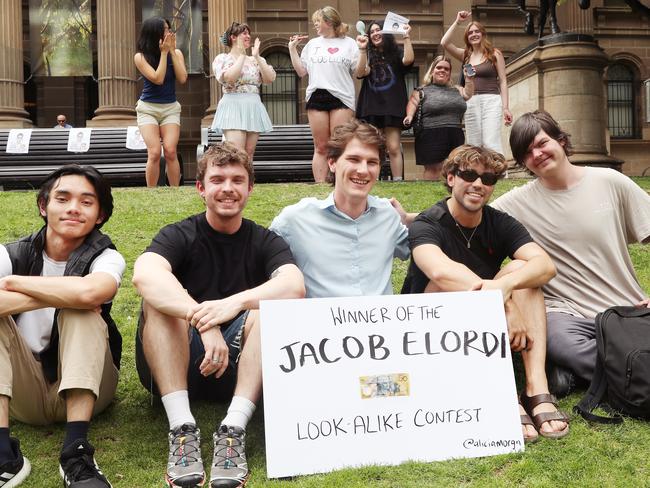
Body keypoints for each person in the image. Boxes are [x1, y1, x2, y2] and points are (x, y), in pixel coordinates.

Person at [132, 142, 305, 488]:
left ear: (250, 188)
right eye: (218, 179)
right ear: (201, 188)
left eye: (237, 180)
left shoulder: (264, 240)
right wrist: (203, 319)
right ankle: (182, 429)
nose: (228, 188)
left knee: (269, 310)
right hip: (178, 364)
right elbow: (144, 274)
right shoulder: (179, 234)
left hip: (241, 367)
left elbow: (294, 285)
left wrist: (235, 303)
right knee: (158, 303)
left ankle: (233, 429)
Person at [401, 145, 569, 442]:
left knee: (523, 272)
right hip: (427, 325)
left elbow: (545, 265)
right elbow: (440, 272)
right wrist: (504, 307)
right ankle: (502, 391)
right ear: (451, 178)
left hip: (480, 316)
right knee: (447, 284)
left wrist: (504, 287)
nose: (479, 184)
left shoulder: (499, 222)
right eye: (468, 174)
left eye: (488, 179)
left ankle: (535, 388)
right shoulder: (428, 222)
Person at [492, 110, 650, 395]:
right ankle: (630, 375)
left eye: (542, 143)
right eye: (527, 152)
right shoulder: (516, 203)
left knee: (629, 342)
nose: (537, 154)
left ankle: (575, 375)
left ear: (561, 140)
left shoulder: (609, 181)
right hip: (566, 313)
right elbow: (464, 215)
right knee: (559, 342)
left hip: (623, 309)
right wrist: (407, 219)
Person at [0, 165, 126, 487]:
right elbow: (82, 293)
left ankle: (76, 454)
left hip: (90, 389)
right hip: (22, 394)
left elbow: (91, 293)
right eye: (62, 198)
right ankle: (2, 453)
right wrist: (63, 295)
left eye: (86, 201)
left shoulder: (107, 256)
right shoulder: (9, 255)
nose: (73, 208)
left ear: (99, 214)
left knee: (82, 312)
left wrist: (13, 285)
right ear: (44, 206)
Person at [271, 119, 409, 297]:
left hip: (379, 322)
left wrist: (411, 218)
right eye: (354, 159)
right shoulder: (295, 219)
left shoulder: (388, 215)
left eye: (372, 162)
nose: (363, 170)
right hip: (322, 323)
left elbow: (430, 236)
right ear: (332, 163)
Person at [289, 6, 362, 182]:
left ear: (329, 22)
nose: (315, 25)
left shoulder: (350, 43)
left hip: (342, 97)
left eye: (318, 22)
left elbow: (359, 71)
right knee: (321, 147)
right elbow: (301, 71)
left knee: (339, 145)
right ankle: (321, 186)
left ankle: (340, 183)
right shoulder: (312, 45)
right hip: (317, 95)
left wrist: (364, 50)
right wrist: (292, 49)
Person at [441, 11, 512, 153]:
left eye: (476, 32)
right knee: (474, 143)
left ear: (483, 34)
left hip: (491, 100)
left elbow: (503, 81)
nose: (473, 34)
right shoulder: (466, 55)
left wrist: (505, 107)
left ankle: (498, 173)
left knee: (491, 141)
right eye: (470, 33)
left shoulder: (494, 53)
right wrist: (457, 22)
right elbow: (445, 42)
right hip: (471, 101)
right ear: (467, 37)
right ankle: (476, 173)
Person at [355, 20, 414, 181]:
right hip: (371, 107)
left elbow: (408, 60)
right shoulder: (366, 54)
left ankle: (397, 181)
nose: (375, 33)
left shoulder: (396, 52)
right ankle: (374, 180)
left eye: (378, 30)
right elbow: (361, 72)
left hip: (393, 106)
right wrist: (361, 49)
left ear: (386, 33)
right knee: (374, 147)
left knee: (393, 147)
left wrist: (406, 37)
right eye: (372, 31)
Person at [134, 17, 188, 187]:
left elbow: (182, 78)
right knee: (155, 152)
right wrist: (164, 53)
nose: (169, 32)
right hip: (148, 108)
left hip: (170, 108)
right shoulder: (140, 57)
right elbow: (158, 78)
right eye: (165, 29)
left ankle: (175, 192)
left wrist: (171, 51)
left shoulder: (177, 53)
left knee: (171, 151)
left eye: (169, 29)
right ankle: (152, 193)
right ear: (154, 33)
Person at [211, 21, 275, 162]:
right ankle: (236, 181)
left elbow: (269, 79)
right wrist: (241, 55)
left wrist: (257, 56)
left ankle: (248, 183)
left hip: (253, 106)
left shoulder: (255, 60)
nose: (248, 36)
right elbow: (229, 78)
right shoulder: (223, 58)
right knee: (237, 151)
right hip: (233, 106)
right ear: (233, 37)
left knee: (249, 153)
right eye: (244, 33)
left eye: (249, 33)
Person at [403, 55, 474, 181]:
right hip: (430, 133)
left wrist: (468, 78)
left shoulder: (457, 89)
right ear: (432, 71)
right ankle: (430, 195)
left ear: (449, 73)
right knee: (433, 169)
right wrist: (409, 117)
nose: (442, 70)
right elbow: (412, 105)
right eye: (439, 67)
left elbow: (468, 93)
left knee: (455, 167)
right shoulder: (421, 90)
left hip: (455, 133)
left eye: (446, 69)